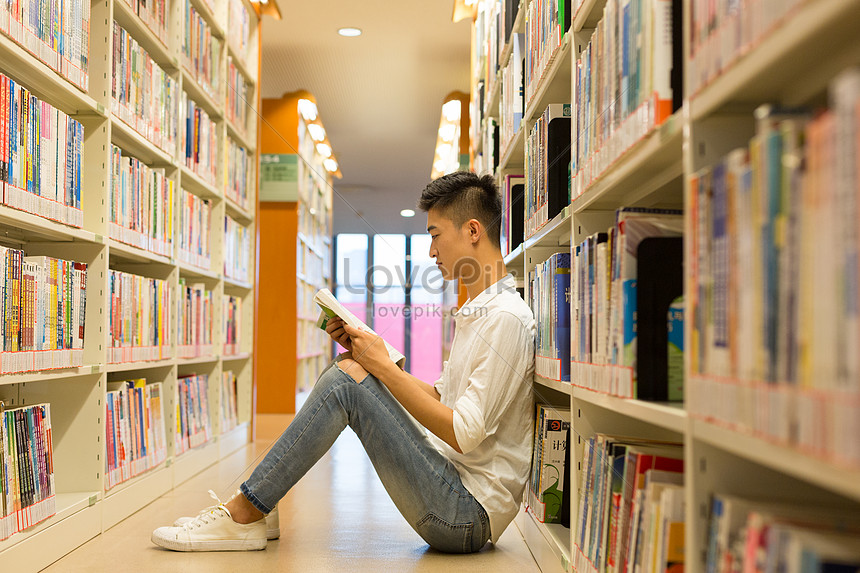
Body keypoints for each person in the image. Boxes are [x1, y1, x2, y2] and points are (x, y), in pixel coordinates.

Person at [151, 171, 536, 553]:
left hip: (464, 515)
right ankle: (258, 506)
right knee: (352, 370)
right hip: (451, 485)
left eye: (435, 235)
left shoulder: (504, 318)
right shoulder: (479, 311)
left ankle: (246, 511)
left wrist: (381, 368)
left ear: (472, 231)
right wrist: (378, 361)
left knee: (344, 383)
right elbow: (440, 395)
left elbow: (463, 432)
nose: (431, 252)